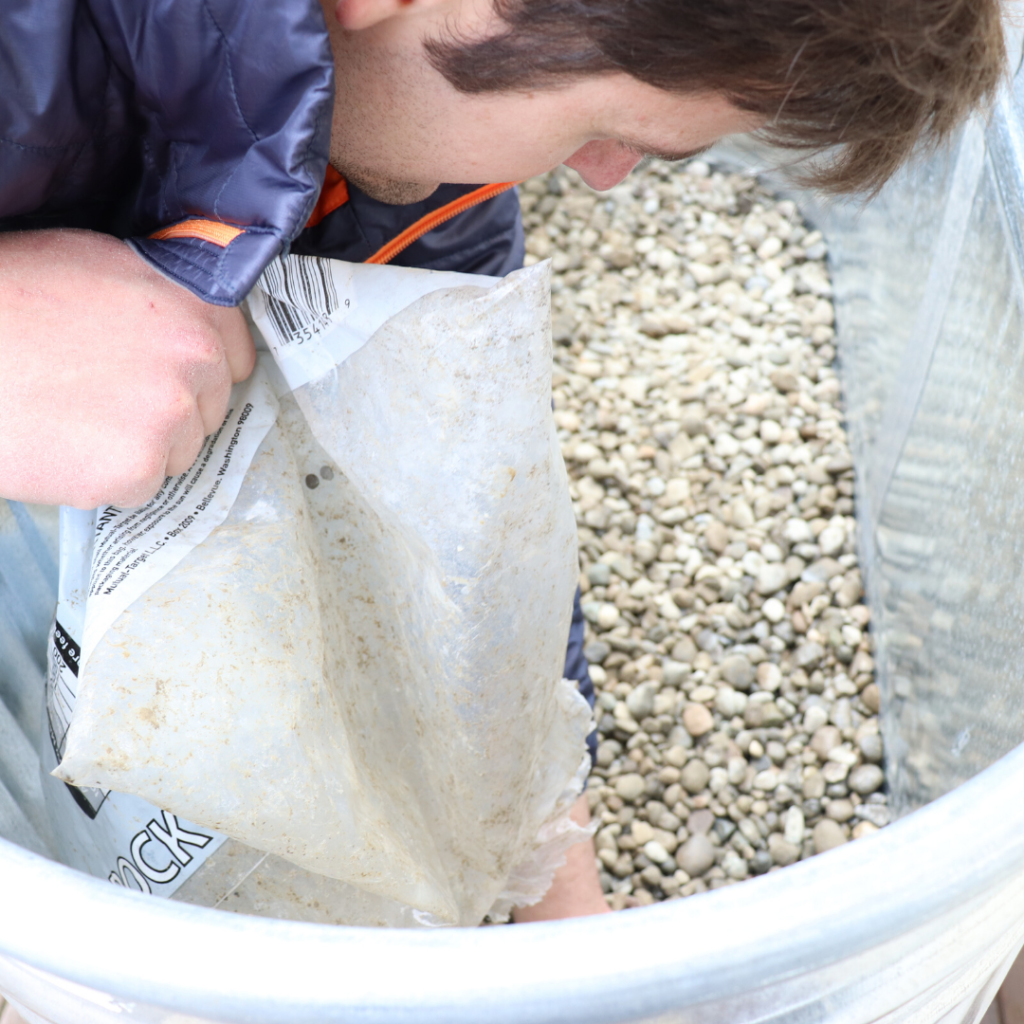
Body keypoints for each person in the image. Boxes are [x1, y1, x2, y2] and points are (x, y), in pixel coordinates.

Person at [0, 0, 1005, 936]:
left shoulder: (411, 167)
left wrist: (559, 912)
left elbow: (474, 519)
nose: (607, 176)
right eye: (600, 129)